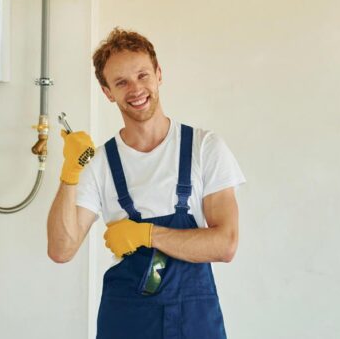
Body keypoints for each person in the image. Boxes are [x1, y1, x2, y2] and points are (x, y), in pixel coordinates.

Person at [47, 28, 245, 338]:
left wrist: (147, 234)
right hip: (128, 320)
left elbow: (226, 244)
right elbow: (62, 250)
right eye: (121, 82)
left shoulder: (203, 148)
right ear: (107, 92)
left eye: (142, 75)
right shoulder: (99, 164)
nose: (136, 89)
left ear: (158, 74)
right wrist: (70, 174)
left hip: (193, 319)